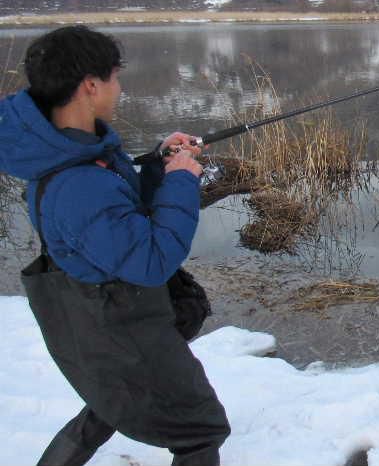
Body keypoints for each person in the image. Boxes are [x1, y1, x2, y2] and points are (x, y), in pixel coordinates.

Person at [0, 26, 230, 466]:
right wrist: (182, 181)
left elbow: (117, 218)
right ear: (90, 85)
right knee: (202, 429)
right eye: (114, 78)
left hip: (100, 321)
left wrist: (161, 165)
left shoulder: (72, 151)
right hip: (118, 328)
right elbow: (151, 261)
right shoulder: (78, 182)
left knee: (114, 399)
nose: (119, 88)